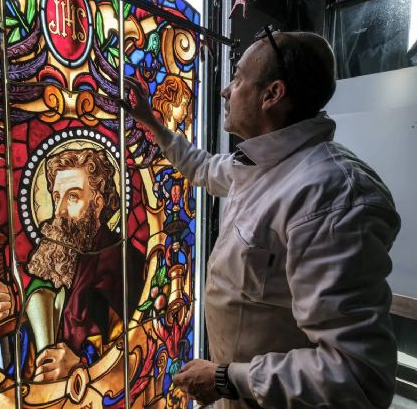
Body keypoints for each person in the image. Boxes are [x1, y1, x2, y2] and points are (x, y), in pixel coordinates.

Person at [123, 27, 400, 408]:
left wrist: (227, 377)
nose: (225, 90)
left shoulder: (329, 196)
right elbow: (203, 167)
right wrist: (153, 124)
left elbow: (357, 376)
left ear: (272, 95)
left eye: (237, 78)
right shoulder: (259, 167)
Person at [0, 148, 144, 381]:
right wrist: (0, 317)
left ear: (98, 203)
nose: (59, 211)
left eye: (73, 197)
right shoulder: (54, 258)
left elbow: (134, 343)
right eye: (56, 197)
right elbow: (28, 346)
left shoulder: (123, 262)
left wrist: (82, 363)